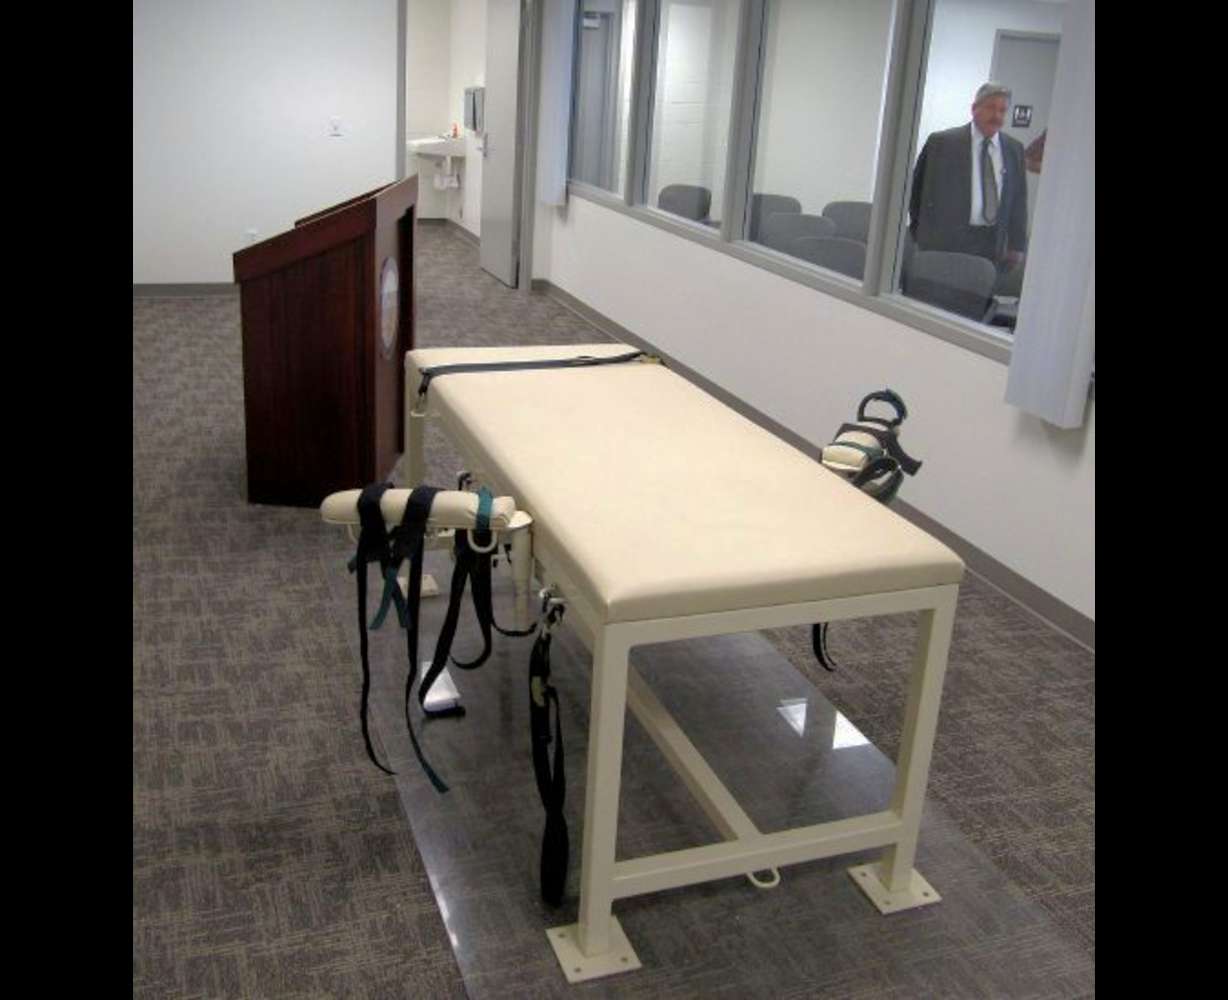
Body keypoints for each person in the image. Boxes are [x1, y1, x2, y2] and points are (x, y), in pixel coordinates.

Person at [908, 82, 1028, 274]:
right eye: (990, 108)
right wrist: (920, 233)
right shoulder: (942, 143)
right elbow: (916, 190)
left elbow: (1019, 200)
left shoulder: (1014, 150)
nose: (997, 116)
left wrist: (1017, 245)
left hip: (991, 245)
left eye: (1002, 110)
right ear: (974, 109)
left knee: (975, 298)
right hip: (945, 242)